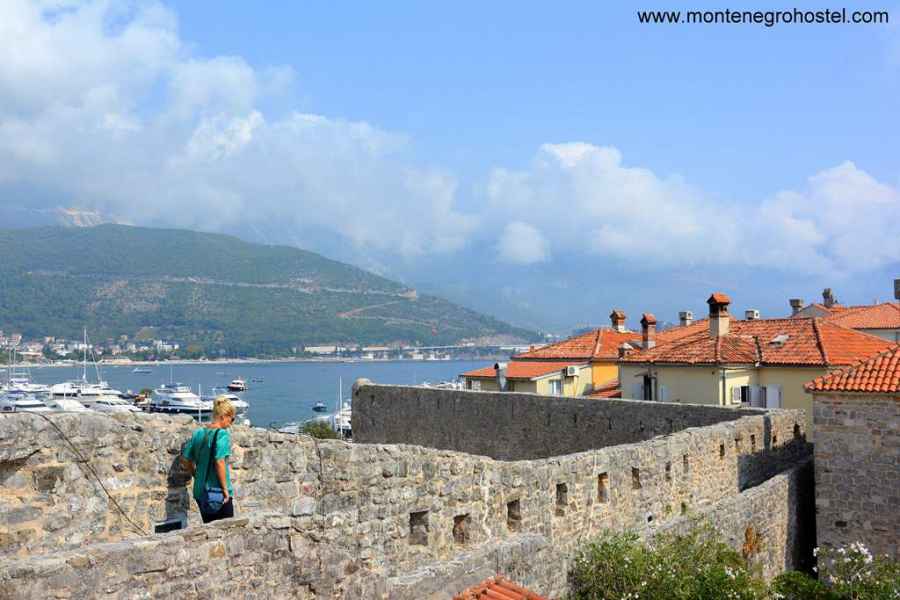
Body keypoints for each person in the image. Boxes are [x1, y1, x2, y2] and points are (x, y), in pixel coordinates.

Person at [180, 396, 236, 523]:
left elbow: (185, 458)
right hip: (218, 493)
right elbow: (219, 461)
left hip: (201, 491)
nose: (231, 423)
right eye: (231, 419)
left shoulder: (198, 433)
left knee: (209, 530)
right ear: (223, 416)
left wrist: (195, 474)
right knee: (226, 532)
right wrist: (225, 490)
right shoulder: (222, 435)